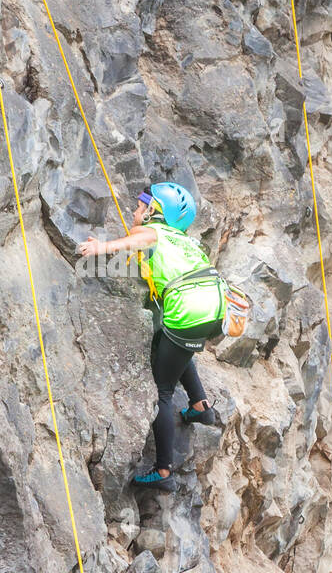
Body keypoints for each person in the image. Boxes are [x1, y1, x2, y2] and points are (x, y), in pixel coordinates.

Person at [77, 182, 224, 492]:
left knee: (162, 393)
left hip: (187, 310)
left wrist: (98, 248)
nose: (135, 210)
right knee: (173, 345)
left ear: (155, 212)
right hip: (213, 306)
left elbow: (136, 241)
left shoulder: (154, 233)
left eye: (142, 205)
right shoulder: (186, 241)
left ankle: (163, 471)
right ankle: (200, 407)